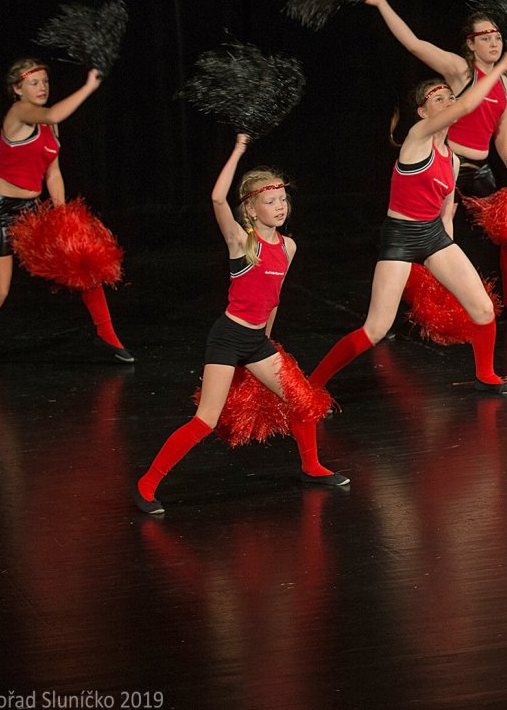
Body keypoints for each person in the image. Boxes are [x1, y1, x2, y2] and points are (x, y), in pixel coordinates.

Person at [134, 135, 347, 515]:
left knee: (303, 402)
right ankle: (146, 485)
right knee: (206, 419)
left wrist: (268, 344)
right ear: (250, 208)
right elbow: (217, 199)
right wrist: (237, 150)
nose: (280, 207)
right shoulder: (241, 242)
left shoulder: (288, 247)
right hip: (228, 338)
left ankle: (311, 468)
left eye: (283, 200)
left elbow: (273, 299)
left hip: (257, 342)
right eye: (270, 201)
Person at [307, 45, 507, 395]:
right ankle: (312, 385)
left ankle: (485, 374)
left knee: (483, 308)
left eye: (450, 96)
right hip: (400, 237)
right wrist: (500, 69)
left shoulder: (452, 159)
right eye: (438, 99)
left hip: (434, 236)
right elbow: (468, 104)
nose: (448, 102)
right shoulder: (417, 139)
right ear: (423, 112)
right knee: (376, 328)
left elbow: (446, 213)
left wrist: (447, 263)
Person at [365, 0, 507, 323]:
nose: (494, 43)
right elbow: (414, 44)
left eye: (498, 37)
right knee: (432, 241)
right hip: (448, 168)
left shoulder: (504, 84)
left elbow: (502, 134)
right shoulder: (461, 71)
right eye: (485, 38)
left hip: (481, 170)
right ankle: (403, 311)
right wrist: (382, 3)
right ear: (471, 44)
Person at [0, 58, 133, 370]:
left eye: (45, 82)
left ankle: (106, 333)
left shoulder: (50, 124)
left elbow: (52, 172)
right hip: (1, 208)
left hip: (33, 208)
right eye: (34, 83)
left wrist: (62, 215)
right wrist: (89, 86)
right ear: (18, 89)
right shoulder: (19, 112)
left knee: (82, 260)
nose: (42, 87)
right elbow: (54, 112)